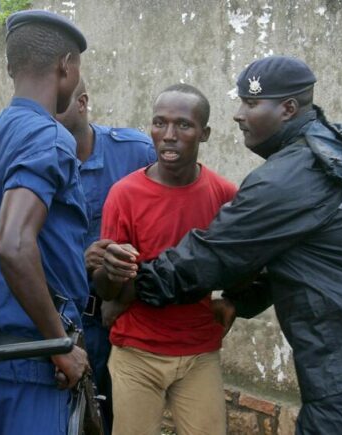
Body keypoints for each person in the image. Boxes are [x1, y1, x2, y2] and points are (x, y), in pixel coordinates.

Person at [101, 56, 342, 434]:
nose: (238, 114)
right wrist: (242, 301)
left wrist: (130, 289)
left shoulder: (288, 178)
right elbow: (300, 261)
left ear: (288, 109)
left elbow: (211, 256)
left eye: (251, 103)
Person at [0, 10, 90, 435]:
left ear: (10, 67)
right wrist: (58, 343)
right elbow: (12, 243)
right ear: (66, 65)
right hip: (29, 364)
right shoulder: (48, 136)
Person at [93, 84, 238, 435]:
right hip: (137, 354)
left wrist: (235, 300)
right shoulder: (125, 194)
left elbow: (248, 262)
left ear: (204, 133)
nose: (169, 135)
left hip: (199, 352)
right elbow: (108, 291)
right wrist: (109, 270)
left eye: (183, 125)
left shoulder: (224, 195)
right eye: (159, 123)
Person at [55, 77, 156, 433]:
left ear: (82, 102)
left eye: (57, 104)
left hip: (123, 325)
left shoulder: (135, 153)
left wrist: (128, 295)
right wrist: (78, 262)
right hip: (63, 327)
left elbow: (165, 223)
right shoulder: (37, 159)